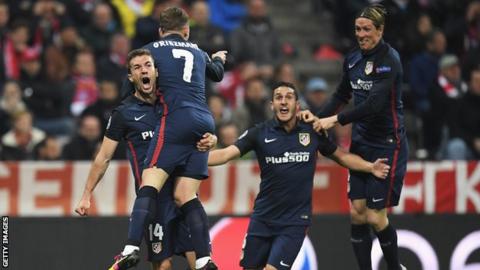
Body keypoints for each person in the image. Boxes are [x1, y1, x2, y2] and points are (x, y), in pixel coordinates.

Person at [208, 82, 391, 270]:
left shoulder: (312, 131)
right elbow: (225, 154)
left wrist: (370, 167)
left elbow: (341, 156)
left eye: (289, 97)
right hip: (262, 218)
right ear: (272, 105)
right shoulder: (259, 133)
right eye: (278, 97)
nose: (283, 102)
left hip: (294, 222)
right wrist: (189, 159)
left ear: (297, 105)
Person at [74, 49, 217, 270]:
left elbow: (196, 138)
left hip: (182, 194)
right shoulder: (124, 113)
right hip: (154, 201)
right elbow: (103, 157)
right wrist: (86, 195)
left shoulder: (174, 105)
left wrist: (212, 139)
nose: (144, 70)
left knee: (197, 262)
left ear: (157, 71)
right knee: (164, 266)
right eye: (137, 67)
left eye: (147, 65)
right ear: (131, 77)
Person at [115, 7, 226, 270]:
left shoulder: (150, 51)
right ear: (186, 31)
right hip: (205, 121)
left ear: (160, 31)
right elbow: (218, 74)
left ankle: (130, 247)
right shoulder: (198, 51)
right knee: (187, 195)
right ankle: (204, 259)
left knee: (149, 182)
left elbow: (126, 90)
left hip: (176, 119)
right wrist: (219, 58)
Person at [301, 4, 408, 270]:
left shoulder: (389, 60)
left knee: (374, 215)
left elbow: (373, 104)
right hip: (361, 143)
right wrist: (317, 119)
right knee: (357, 214)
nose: (361, 34)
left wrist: (333, 120)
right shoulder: (352, 59)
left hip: (388, 143)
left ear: (380, 30)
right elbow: (341, 95)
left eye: (367, 29)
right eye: (358, 29)